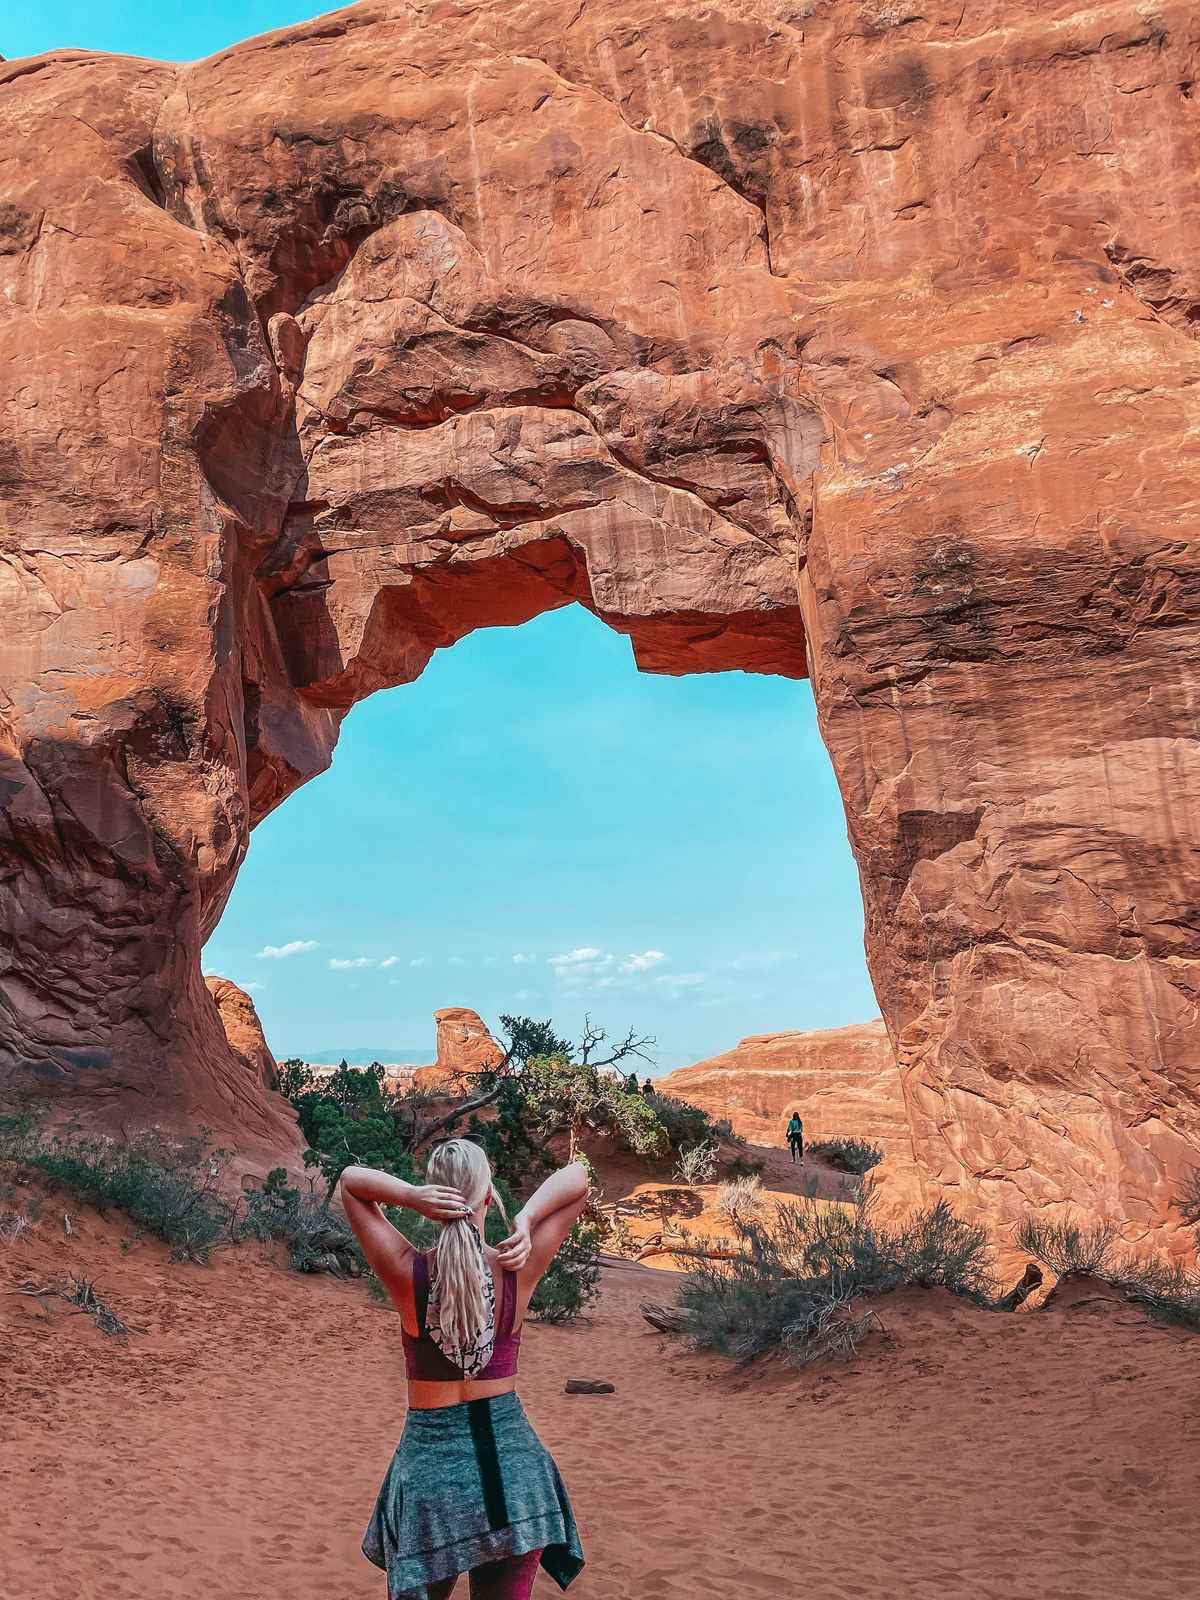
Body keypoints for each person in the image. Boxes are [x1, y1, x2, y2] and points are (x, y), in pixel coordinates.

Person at [340, 1138, 589, 1599]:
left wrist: (408, 1195)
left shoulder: (407, 1272)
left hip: (432, 1486)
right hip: (514, 1482)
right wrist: (527, 1219)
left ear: (434, 1198)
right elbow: (578, 1179)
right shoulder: (519, 1267)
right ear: (489, 1198)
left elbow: (351, 1185)